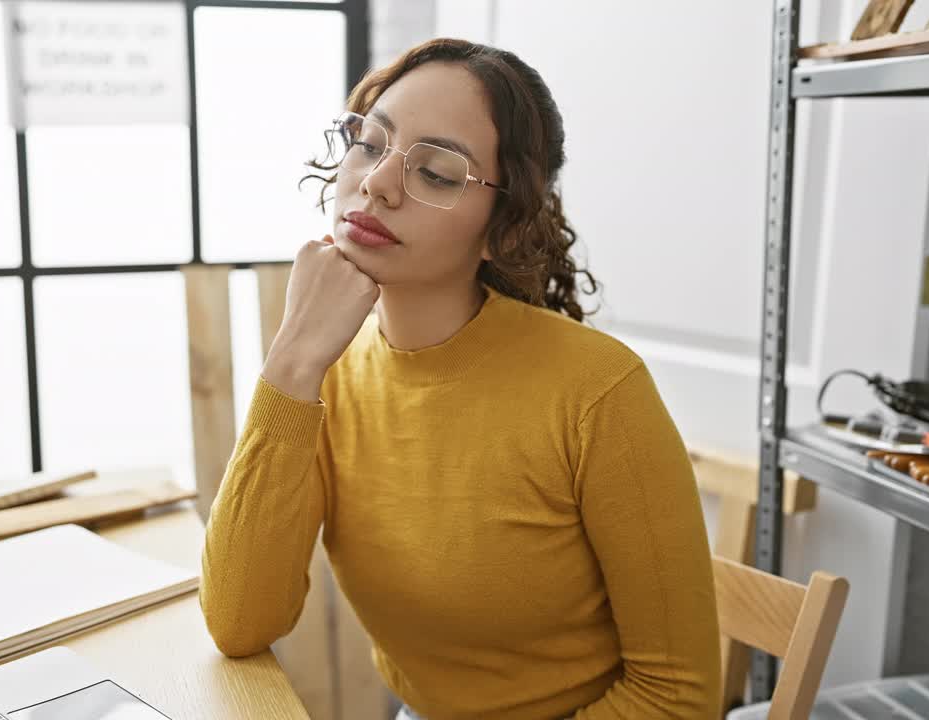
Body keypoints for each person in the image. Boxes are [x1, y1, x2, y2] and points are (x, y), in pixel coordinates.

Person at [199, 37, 720, 720]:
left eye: (438, 175)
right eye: (370, 143)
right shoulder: (327, 373)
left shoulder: (599, 392)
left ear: (503, 227)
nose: (378, 183)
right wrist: (292, 362)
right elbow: (240, 623)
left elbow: (678, 698)